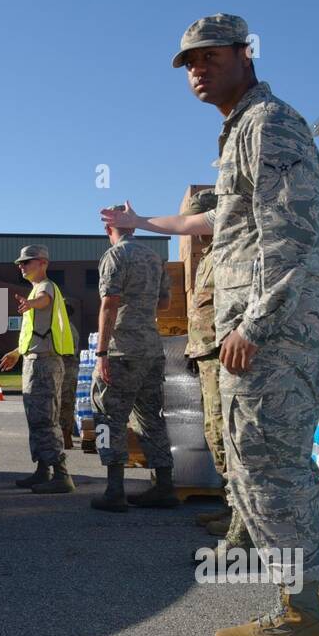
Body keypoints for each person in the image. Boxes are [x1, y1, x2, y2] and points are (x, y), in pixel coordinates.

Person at [101, 13, 319, 636]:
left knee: (266, 467)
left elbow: (292, 233)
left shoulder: (267, 125)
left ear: (245, 55)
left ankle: (299, 615)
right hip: (278, 326)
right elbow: (211, 221)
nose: (196, 68)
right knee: (283, 467)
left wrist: (254, 323)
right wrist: (143, 220)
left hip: (279, 329)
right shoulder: (242, 132)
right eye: (188, 62)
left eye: (209, 56)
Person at [89, 210, 179, 512]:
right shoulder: (154, 258)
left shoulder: (115, 256)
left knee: (109, 418)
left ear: (109, 229)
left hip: (122, 351)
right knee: (151, 418)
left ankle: (114, 491)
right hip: (151, 351)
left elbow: (109, 304)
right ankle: (164, 487)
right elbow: (164, 302)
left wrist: (101, 352)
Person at [183, 188, 252, 556]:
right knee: (214, 431)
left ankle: (244, 522)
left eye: (199, 220)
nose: (194, 229)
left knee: (227, 433)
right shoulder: (209, 254)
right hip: (207, 353)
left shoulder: (229, 252)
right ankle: (232, 508)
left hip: (223, 354)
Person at [0, 244, 76, 494]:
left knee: (45, 418)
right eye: (20, 263)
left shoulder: (45, 288)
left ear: (43, 262)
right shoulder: (35, 289)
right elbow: (33, 333)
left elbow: (44, 301)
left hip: (44, 363)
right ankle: (44, 470)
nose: (21, 266)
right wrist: (16, 353)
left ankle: (61, 475)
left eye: (27, 262)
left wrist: (32, 304)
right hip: (35, 360)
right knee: (36, 419)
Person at [59, 300, 82, 449]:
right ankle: (65, 436)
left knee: (63, 404)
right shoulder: (69, 326)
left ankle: (65, 437)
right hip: (70, 369)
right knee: (67, 404)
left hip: (65, 368)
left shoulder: (63, 327)